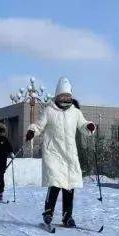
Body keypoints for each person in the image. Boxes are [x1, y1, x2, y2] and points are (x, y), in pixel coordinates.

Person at [25, 77, 95, 227]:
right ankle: (48, 213)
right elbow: (38, 125)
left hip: (69, 154)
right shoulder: (49, 111)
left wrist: (89, 126)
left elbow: (83, 125)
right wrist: (32, 131)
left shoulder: (75, 112)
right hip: (53, 153)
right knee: (55, 183)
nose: (65, 98)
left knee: (69, 186)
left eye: (68, 96)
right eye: (63, 96)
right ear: (57, 96)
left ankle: (67, 216)